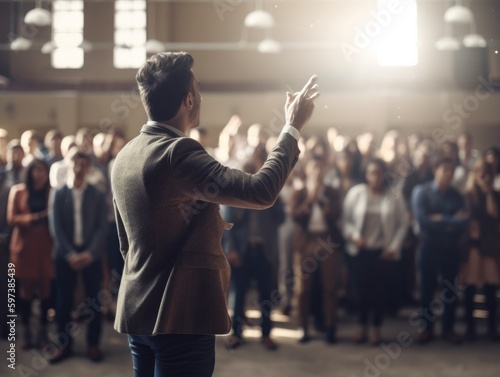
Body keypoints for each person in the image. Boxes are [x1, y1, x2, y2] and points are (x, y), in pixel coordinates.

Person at [110, 52, 318, 377]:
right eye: (198, 89)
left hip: (139, 308)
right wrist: (291, 127)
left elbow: (126, 242)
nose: (201, 96)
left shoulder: (127, 154)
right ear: (189, 100)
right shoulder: (178, 153)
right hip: (180, 314)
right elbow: (260, 191)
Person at [48, 151, 108, 363]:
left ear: (89, 167)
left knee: (93, 302)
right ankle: (64, 347)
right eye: (76, 162)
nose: (79, 167)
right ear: (69, 164)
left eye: (84, 163)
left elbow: (102, 227)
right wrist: (71, 254)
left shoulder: (97, 194)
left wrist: (90, 253)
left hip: (91, 254)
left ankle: (93, 345)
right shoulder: (58, 192)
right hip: (65, 255)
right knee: (63, 303)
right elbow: (56, 227)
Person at [342, 158, 408, 345]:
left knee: (380, 293)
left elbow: (402, 224)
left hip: (384, 253)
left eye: (379, 173)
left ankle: (376, 329)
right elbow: (345, 221)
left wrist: (393, 247)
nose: (376, 177)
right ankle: (362, 326)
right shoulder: (356, 193)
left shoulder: (394, 195)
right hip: (361, 251)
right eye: (372, 173)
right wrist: (355, 236)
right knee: (363, 292)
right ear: (366, 175)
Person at [412, 154, 469, 345]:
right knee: (427, 291)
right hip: (428, 248)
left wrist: (441, 219)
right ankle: (426, 329)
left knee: (449, 292)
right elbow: (424, 221)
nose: (449, 174)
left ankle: (448, 329)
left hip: (450, 249)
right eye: (445, 170)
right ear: (435, 170)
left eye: (451, 171)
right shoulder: (421, 191)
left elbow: (463, 222)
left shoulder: (456, 194)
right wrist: (450, 221)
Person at [292, 156, 344, 344]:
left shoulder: (331, 192)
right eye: (313, 168)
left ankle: (330, 327)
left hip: (326, 241)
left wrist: (320, 200)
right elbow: (294, 216)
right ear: (307, 170)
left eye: (320, 169)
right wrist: (309, 200)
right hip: (306, 242)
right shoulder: (300, 192)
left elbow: (337, 214)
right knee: (302, 290)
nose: (317, 172)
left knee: (330, 287)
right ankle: (303, 327)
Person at [7, 159, 53, 349]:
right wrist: (35, 218)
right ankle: (25, 333)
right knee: (25, 291)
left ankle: (43, 333)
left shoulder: (52, 191)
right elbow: (11, 218)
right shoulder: (18, 190)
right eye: (36, 170)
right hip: (24, 247)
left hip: (46, 248)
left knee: (45, 291)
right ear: (29, 172)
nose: (39, 174)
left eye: (42, 170)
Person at [459, 159, 500, 342]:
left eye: (487, 173)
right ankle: (471, 329)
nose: (484, 176)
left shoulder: (496, 195)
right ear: (474, 174)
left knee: (491, 288)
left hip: (490, 248)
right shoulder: (467, 195)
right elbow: (469, 220)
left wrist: (489, 192)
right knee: (470, 288)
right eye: (480, 173)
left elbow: (494, 215)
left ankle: (492, 328)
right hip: (473, 248)